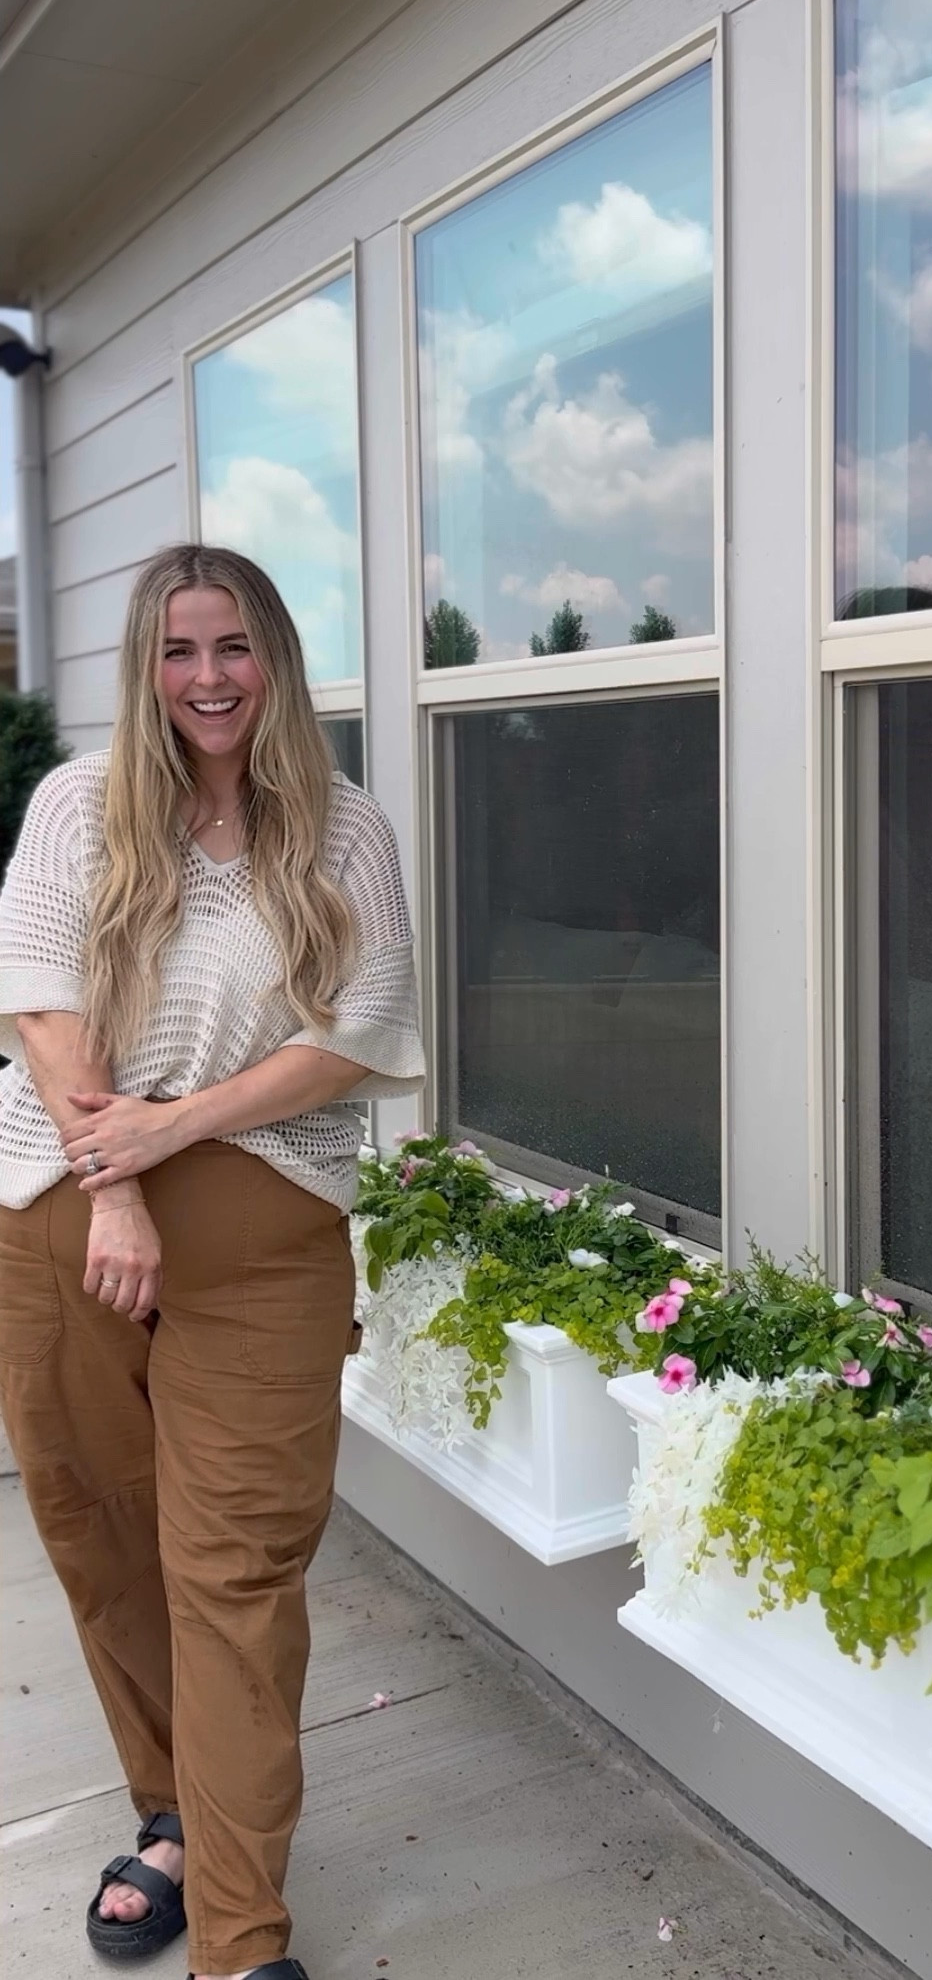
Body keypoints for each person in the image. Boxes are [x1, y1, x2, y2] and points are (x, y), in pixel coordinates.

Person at [0, 544, 425, 1980]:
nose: (207, 677)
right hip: (65, 1212)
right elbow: (42, 1004)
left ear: (276, 657)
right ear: (144, 662)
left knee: (234, 1568)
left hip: (263, 1235)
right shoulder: (80, 804)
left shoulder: (344, 829)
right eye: (179, 648)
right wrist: (117, 1179)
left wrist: (179, 1124)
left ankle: (240, 1941)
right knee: (104, 1536)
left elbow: (354, 1033)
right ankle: (174, 1816)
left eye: (233, 645)